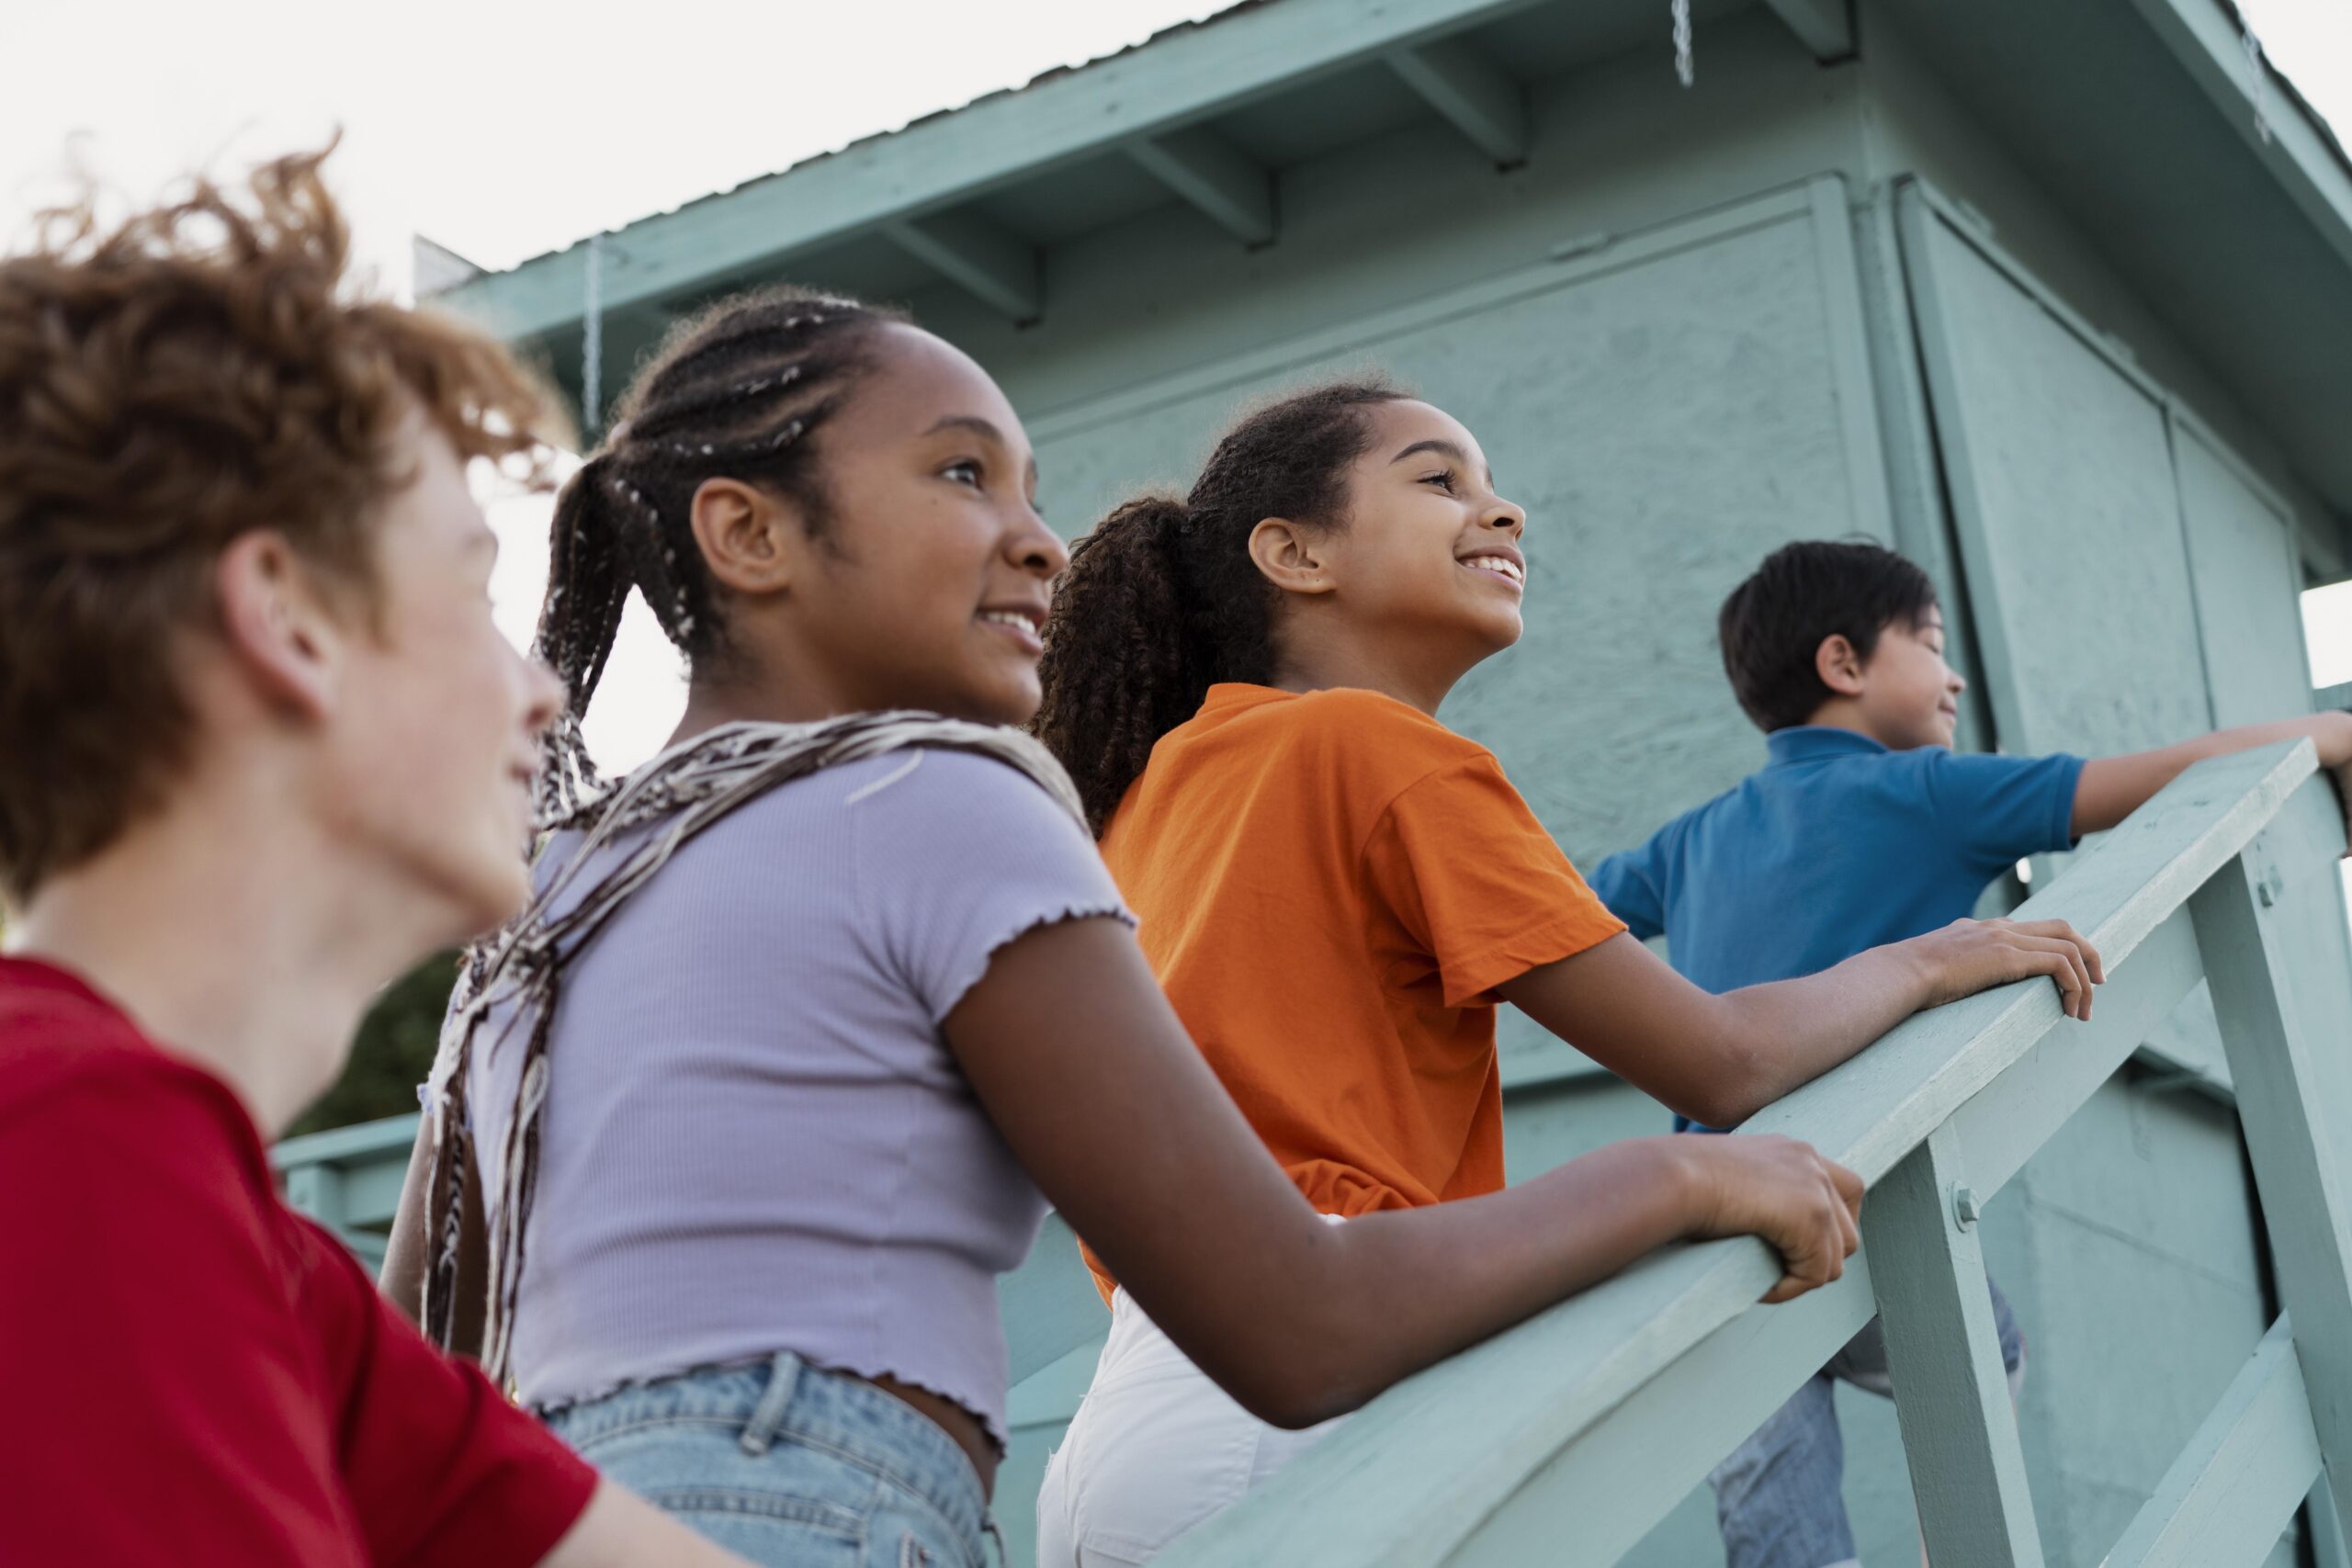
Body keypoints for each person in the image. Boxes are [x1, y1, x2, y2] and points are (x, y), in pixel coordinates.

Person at [375, 298, 1983, 1568]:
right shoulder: (954, 795)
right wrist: (1687, 1163)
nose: (1040, 538)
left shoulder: (557, 885)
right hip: (869, 1486)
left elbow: (408, 1355)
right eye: (960, 473)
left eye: (1030, 485)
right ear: (747, 535)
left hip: (578, 1501)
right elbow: (1303, 1318)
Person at [1023, 380, 2103, 1566]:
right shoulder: (1383, 749)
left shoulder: (1160, 785)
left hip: (1141, 1420)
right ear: (1293, 550)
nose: (1506, 510)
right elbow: (1721, 1058)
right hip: (1310, 1408)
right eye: (1441, 479)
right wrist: (1934, 953)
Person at [0, 149, 763, 1566]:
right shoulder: (67, 1149)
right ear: (287, 619)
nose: (540, 690)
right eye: (474, 591)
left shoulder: (254, 1264)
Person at [1580, 536, 2352, 1568]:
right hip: (1865, 1197)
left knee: (1763, 1460)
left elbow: (1568, 909)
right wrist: (2334, 731)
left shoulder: (1689, 840)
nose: (1953, 676)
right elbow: (2161, 778)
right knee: (1980, 1354)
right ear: (1844, 664)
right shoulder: (1932, 791)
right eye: (1932, 646)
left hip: (1719, 1210)